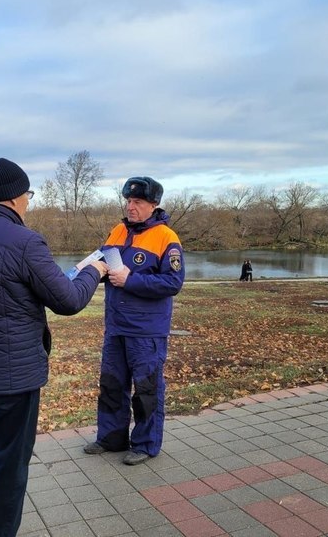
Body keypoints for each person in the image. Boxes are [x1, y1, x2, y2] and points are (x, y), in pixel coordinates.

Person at [0, 157, 107, 537]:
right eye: (28, 194)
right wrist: (94, 271)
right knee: (10, 466)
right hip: (15, 378)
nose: (29, 201)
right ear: (15, 198)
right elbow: (67, 301)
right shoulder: (25, 241)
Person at [83, 176, 185, 466]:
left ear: (153, 204)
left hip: (146, 331)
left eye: (137, 202)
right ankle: (111, 438)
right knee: (112, 384)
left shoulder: (167, 238)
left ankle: (145, 444)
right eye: (128, 201)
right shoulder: (117, 231)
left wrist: (131, 280)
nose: (131, 207)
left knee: (147, 389)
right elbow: (100, 260)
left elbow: (173, 282)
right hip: (116, 326)